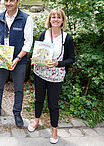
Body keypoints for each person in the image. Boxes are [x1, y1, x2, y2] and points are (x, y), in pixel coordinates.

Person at [0, 0, 34, 127]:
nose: (9, 3)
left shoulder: (26, 18)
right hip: (2, 56)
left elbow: (28, 42)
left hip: (19, 59)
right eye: (6, 1)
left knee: (18, 88)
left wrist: (17, 58)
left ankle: (17, 113)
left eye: (12, 0)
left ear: (18, 1)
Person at [27, 8, 75, 144]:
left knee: (53, 104)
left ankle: (54, 130)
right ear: (49, 19)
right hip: (40, 73)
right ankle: (36, 120)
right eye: (53, 17)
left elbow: (71, 58)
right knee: (38, 99)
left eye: (58, 17)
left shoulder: (67, 38)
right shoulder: (44, 34)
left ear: (62, 21)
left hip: (56, 76)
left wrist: (58, 63)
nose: (55, 19)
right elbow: (38, 51)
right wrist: (34, 59)